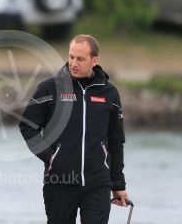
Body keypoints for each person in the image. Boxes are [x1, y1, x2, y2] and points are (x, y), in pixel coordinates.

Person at [19, 34, 128, 224]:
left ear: (94, 60)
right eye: (71, 57)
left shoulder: (109, 93)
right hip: (59, 183)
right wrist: (50, 157)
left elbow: (116, 141)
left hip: (98, 184)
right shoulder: (50, 88)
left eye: (80, 58)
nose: (73, 63)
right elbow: (27, 126)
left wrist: (118, 183)